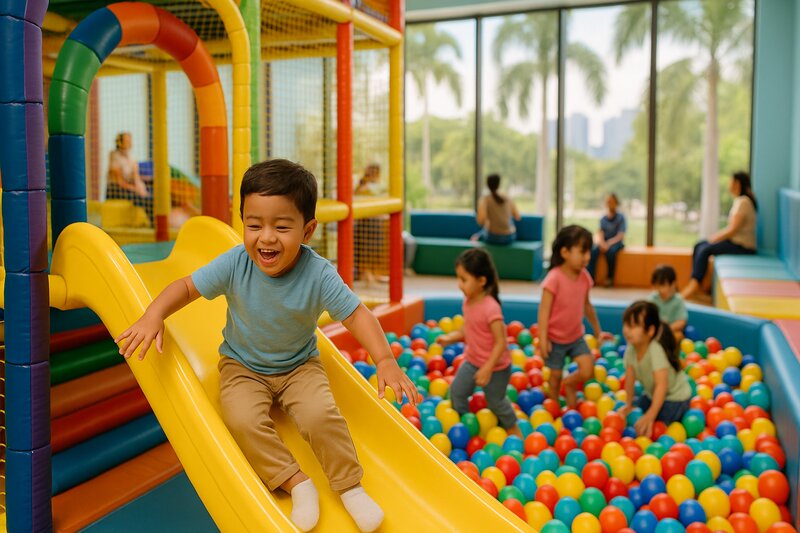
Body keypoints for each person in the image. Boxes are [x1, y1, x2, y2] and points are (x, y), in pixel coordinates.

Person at [114, 159, 417, 533]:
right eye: (254, 225)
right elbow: (187, 287)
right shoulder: (236, 263)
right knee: (239, 419)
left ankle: (349, 486)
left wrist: (385, 359)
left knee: (320, 416)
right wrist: (153, 314)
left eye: (282, 227)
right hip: (243, 367)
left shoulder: (319, 273)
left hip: (299, 366)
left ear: (307, 231)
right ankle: (294, 481)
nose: (266, 238)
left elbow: (356, 315)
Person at [437, 249, 521, 438]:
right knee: (457, 392)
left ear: (482, 281)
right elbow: (470, 329)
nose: (459, 285)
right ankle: (464, 427)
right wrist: (450, 338)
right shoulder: (468, 302)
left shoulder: (491, 308)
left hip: (497, 367)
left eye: (464, 280)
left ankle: (513, 428)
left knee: (496, 402)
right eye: (458, 278)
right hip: (473, 361)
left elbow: (501, 343)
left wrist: (488, 368)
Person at [538, 225, 611, 407]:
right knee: (554, 378)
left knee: (587, 370)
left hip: (575, 337)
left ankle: (569, 383)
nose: (587, 257)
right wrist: (543, 338)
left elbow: (587, 306)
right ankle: (554, 407)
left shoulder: (584, 277)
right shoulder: (554, 278)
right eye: (582, 252)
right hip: (555, 339)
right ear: (565, 252)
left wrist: (597, 331)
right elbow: (544, 311)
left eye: (588, 252)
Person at [617, 301, 692, 438]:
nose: (627, 330)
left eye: (634, 326)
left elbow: (662, 385)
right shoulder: (631, 349)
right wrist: (628, 403)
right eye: (626, 325)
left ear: (650, 331)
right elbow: (630, 378)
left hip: (675, 397)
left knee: (657, 425)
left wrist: (651, 416)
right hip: (653, 395)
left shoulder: (655, 351)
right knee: (635, 411)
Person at [682, 171, 758, 300]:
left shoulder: (743, 202)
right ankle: (696, 286)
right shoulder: (740, 201)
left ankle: (693, 286)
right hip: (736, 242)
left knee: (705, 249)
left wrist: (716, 237)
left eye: (731, 182)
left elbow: (732, 230)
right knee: (699, 245)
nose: (729, 185)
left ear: (737, 184)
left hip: (743, 247)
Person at [106, 132, 153, 224]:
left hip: (128, 186)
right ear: (120, 142)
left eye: (130, 140)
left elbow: (136, 177)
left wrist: (141, 187)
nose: (130, 143)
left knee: (149, 195)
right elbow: (120, 182)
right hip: (116, 189)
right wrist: (135, 189)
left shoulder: (131, 157)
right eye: (127, 140)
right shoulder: (114, 156)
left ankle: (153, 221)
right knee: (142, 198)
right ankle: (152, 222)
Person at [587, 193, 626, 287]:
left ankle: (609, 278)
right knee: (593, 250)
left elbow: (620, 235)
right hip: (604, 242)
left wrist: (608, 243)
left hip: (615, 242)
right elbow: (600, 233)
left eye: (612, 202)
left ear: (616, 203)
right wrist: (602, 243)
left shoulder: (621, 218)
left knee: (611, 252)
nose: (610, 204)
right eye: (608, 202)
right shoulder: (603, 218)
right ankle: (591, 277)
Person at [473, 174, 521, 245]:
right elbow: (518, 217)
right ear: (499, 184)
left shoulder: (485, 200)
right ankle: (479, 235)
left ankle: (477, 236)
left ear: (487, 185)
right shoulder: (507, 197)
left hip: (493, 238)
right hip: (509, 237)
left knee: (483, 231)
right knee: (510, 222)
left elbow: (481, 221)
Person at [648, 265, 688, 336]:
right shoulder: (653, 299)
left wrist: (667, 329)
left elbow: (681, 322)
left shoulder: (678, 300)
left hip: (671, 332)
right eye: (657, 287)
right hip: (655, 331)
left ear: (673, 284)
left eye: (663, 286)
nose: (660, 290)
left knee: (678, 335)